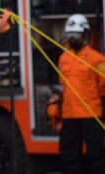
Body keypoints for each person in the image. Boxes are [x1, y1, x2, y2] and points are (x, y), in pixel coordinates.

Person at [58, 14, 105, 174]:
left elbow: (103, 87)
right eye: (70, 34)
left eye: (76, 35)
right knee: (69, 155)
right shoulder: (64, 58)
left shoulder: (96, 59)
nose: (73, 38)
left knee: (96, 155)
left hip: (90, 114)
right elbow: (63, 84)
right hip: (69, 115)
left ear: (85, 34)